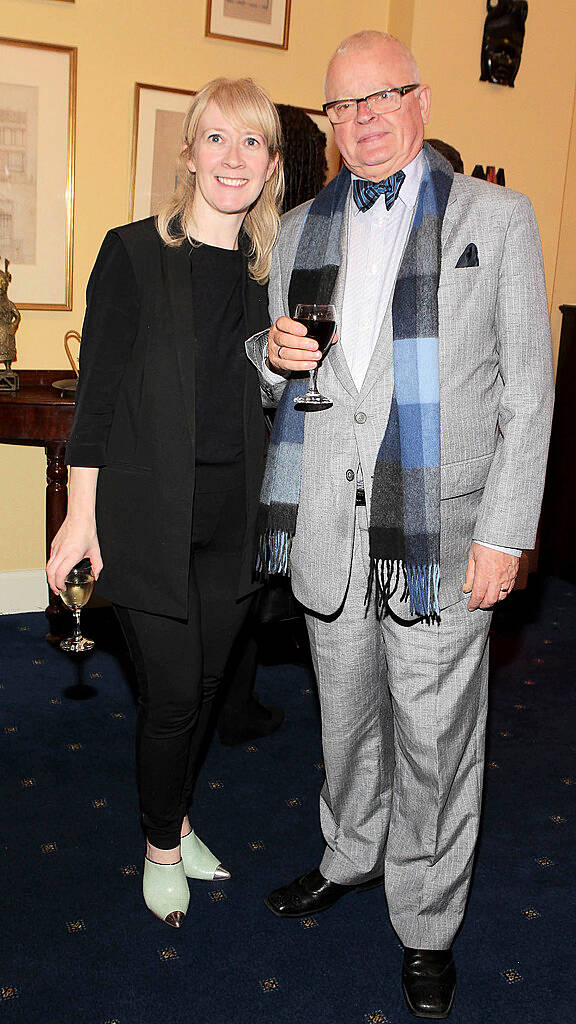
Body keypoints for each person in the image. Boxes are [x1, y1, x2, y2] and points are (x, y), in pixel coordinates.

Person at [248, 31, 553, 1019]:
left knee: (435, 741)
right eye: (343, 106)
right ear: (329, 127)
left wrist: (507, 532)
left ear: (420, 102)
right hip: (332, 533)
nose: (363, 118)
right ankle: (349, 852)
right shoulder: (299, 229)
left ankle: (426, 924)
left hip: (441, 538)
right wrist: (270, 351)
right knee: (346, 723)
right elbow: (284, 365)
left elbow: (528, 392)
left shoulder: (498, 218)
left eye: (382, 97)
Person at [46, 77, 283, 929]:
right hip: (147, 519)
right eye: (215, 138)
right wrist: (80, 516)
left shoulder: (276, 271)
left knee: (211, 687)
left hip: (237, 522)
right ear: (187, 154)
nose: (232, 157)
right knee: (175, 697)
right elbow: (98, 395)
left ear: (271, 164)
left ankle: (178, 825)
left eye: (252, 141)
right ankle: (159, 848)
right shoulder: (134, 251)